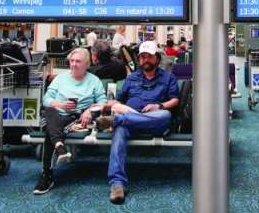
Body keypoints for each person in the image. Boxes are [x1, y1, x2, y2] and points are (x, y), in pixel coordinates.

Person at [95, 41, 180, 204]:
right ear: (139, 59)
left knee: (164, 115)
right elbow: (119, 101)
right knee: (119, 131)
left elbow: (175, 100)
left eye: (149, 56)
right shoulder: (132, 78)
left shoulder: (168, 77)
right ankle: (117, 183)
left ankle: (116, 120)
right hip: (130, 123)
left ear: (157, 58)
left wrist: (159, 105)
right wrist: (111, 104)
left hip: (155, 122)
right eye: (142, 57)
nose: (145, 60)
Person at [33, 47, 107, 195]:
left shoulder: (94, 81)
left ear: (87, 64)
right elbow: (46, 99)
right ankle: (59, 147)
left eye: (78, 61)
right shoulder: (60, 79)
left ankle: (47, 174)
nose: (73, 64)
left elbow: (103, 101)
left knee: (50, 131)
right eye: (72, 61)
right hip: (56, 115)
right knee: (50, 111)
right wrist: (60, 104)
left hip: (77, 118)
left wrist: (89, 111)